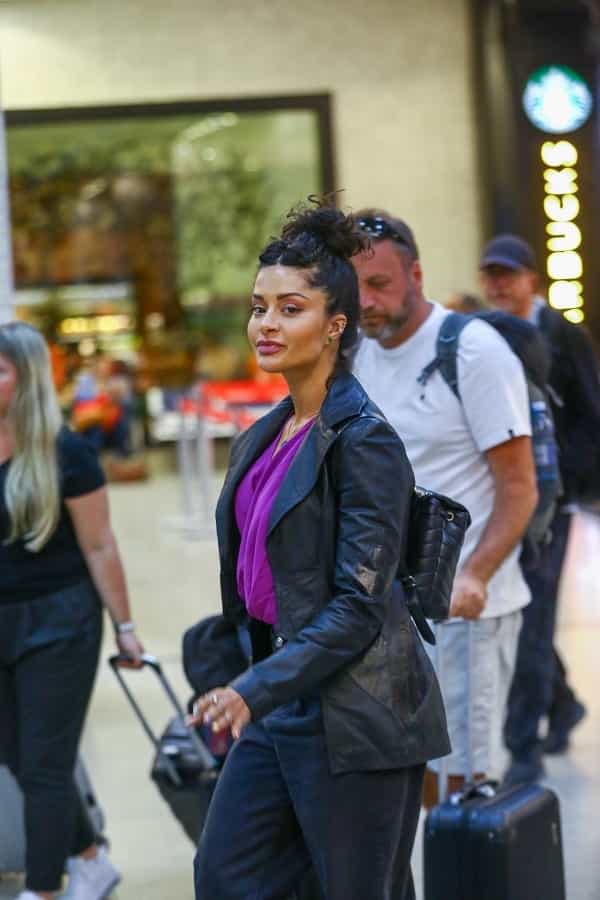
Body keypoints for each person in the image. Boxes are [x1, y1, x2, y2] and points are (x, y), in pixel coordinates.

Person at [188, 198, 450, 900]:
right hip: (281, 698)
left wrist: (254, 689)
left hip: (356, 711)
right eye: (258, 306)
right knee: (225, 875)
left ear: (336, 325)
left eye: (290, 308)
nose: (266, 324)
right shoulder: (264, 433)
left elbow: (357, 611)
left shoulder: (364, 440)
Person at [352, 211, 538, 806]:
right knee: (418, 782)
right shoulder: (359, 353)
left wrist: (476, 575)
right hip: (392, 615)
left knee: (467, 787)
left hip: (468, 618)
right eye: (354, 287)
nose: (366, 302)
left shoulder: (475, 352)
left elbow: (520, 489)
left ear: (416, 274)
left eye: (379, 285)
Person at [0, 322, 144, 900]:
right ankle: (89, 857)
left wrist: (126, 628)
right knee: (19, 757)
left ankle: (43, 890)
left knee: (45, 767)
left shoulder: (68, 454)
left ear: (26, 378)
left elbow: (100, 546)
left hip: (59, 623)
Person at [479, 234, 600, 781]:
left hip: (554, 499)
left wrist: (576, 481)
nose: (500, 283)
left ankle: (521, 746)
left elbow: (591, 410)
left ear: (532, 278)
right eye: (492, 275)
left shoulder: (561, 334)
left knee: (531, 620)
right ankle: (564, 702)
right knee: (524, 616)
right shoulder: (482, 334)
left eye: (509, 273)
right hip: (501, 498)